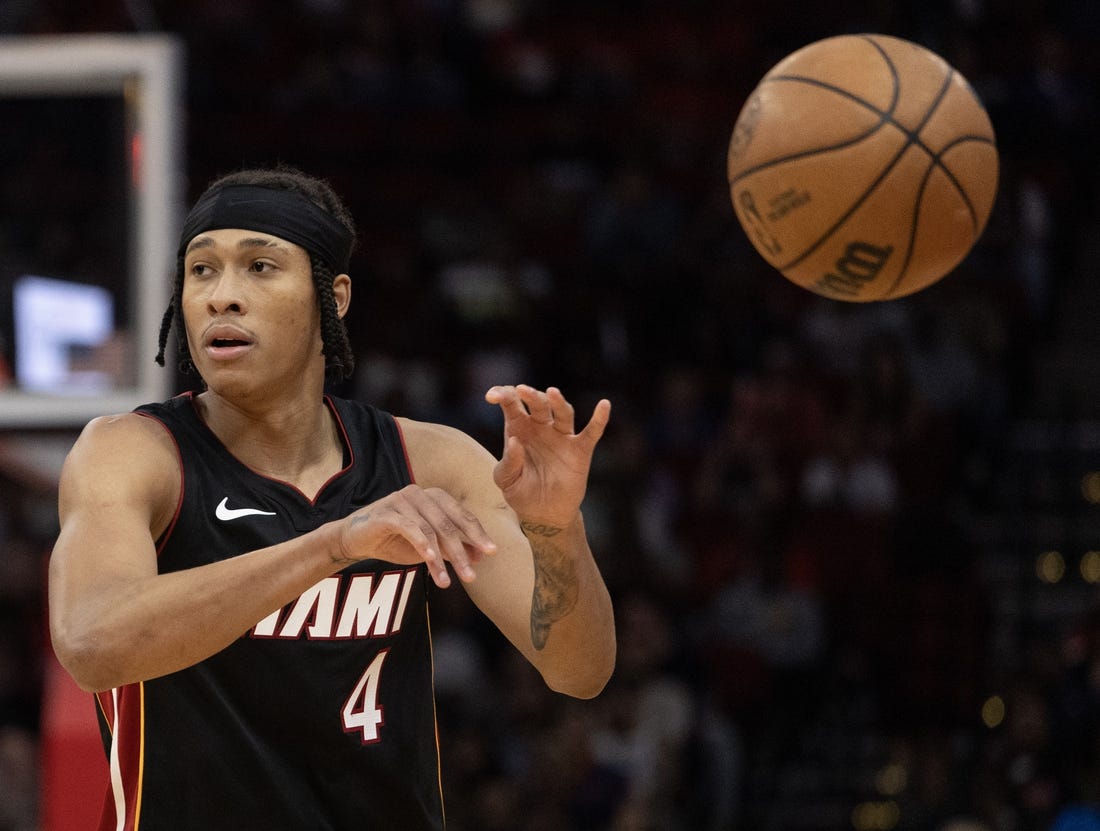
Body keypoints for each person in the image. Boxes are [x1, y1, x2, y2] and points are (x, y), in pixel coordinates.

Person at [47, 166, 616, 830]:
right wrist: (335, 543)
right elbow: (91, 642)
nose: (221, 296)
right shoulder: (135, 453)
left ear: (333, 296)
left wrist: (554, 530)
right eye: (201, 271)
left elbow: (580, 669)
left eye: (260, 266)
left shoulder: (428, 460)